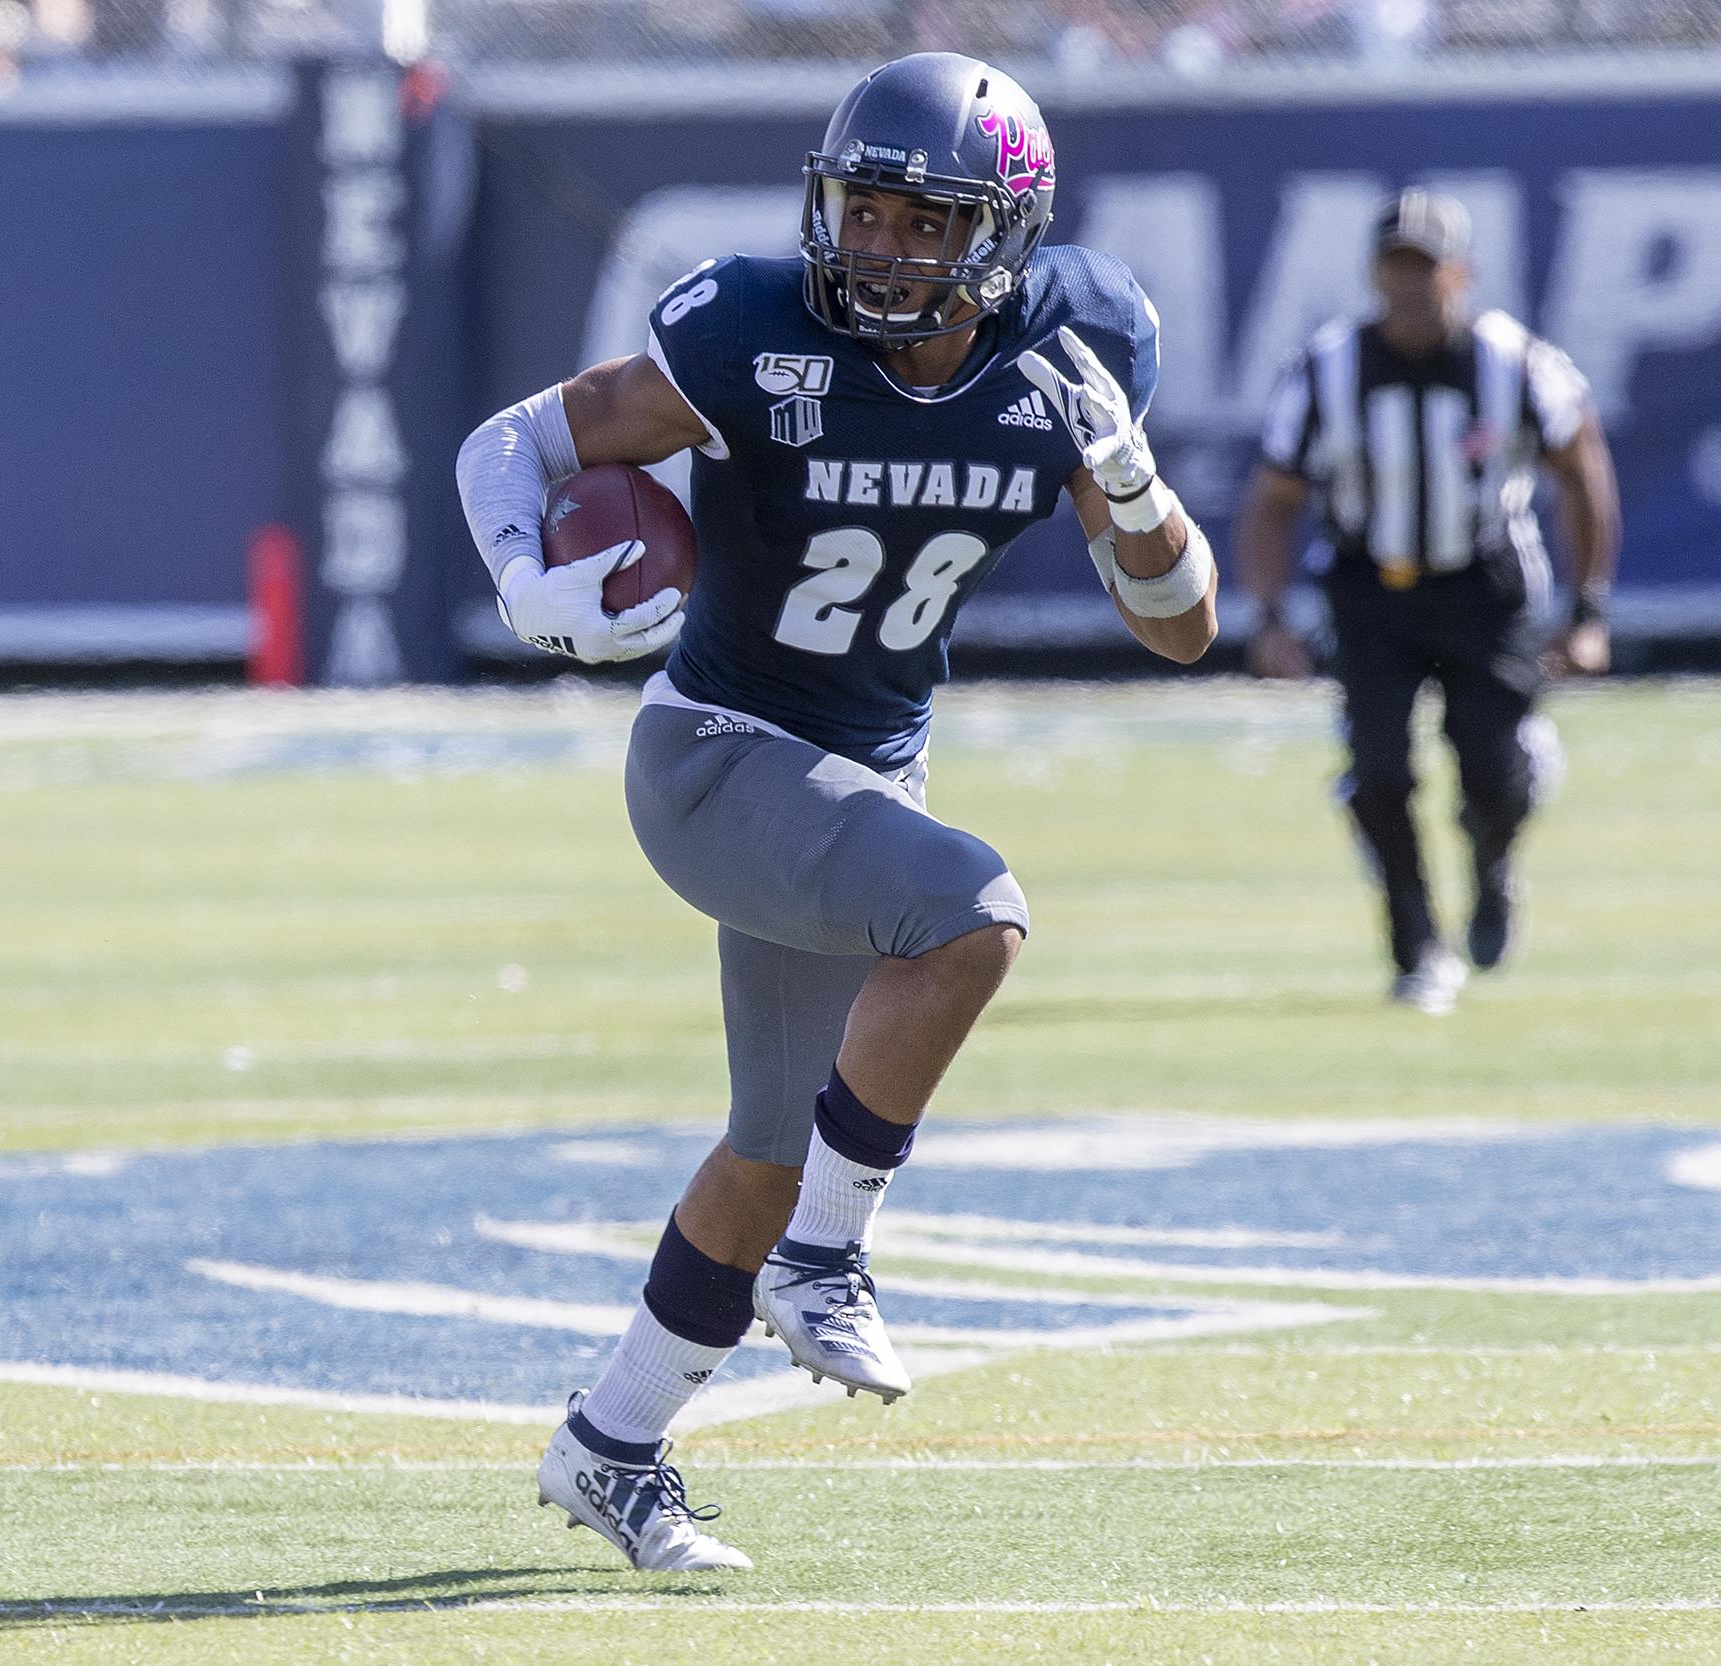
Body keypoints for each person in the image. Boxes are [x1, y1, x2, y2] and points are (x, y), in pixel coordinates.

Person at [452, 51, 1216, 1571]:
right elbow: (513, 444)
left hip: (863, 773)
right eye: (863, 211)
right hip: (717, 749)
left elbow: (1183, 629)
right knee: (974, 911)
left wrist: (1130, 486)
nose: (880, 248)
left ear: (1001, 237)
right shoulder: (753, 330)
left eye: (924, 224)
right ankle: (829, 1255)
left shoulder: (1083, 341)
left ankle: (611, 1442)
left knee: (765, 1144)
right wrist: (533, 588)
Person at [1237, 188, 1619, 1015]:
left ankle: (1493, 861)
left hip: (1484, 586)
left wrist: (1588, 609)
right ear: (1374, 274)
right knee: (1376, 772)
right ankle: (1416, 946)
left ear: (1462, 274)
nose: (1412, 286)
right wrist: (1270, 618)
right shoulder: (1325, 369)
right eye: (1397, 266)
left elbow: (1582, 468)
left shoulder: (1514, 363)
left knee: (1494, 773)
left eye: (1428, 267)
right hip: (1371, 589)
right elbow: (1272, 498)